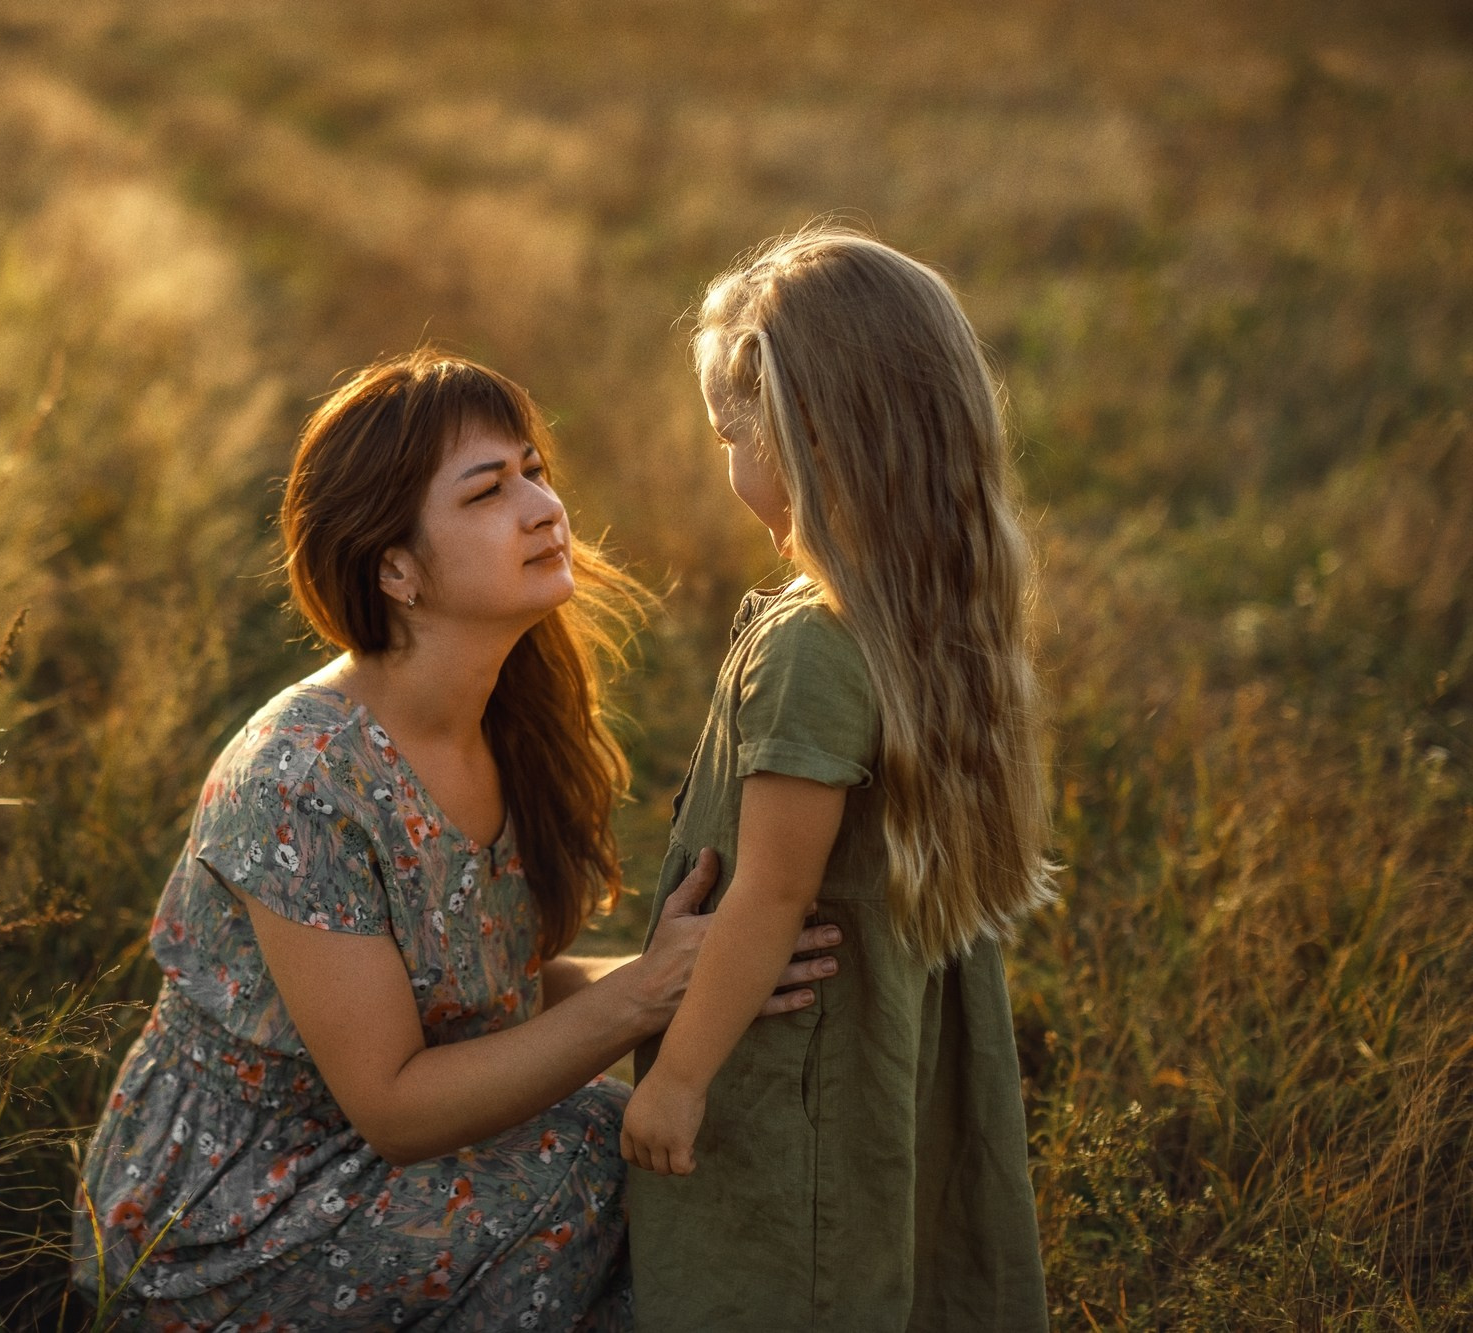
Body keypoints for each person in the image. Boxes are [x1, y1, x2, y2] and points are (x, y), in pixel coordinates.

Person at [73, 351, 845, 1329]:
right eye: (488, 491)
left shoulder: (503, 717)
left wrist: (699, 971)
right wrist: (646, 996)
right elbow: (395, 1105)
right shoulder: (300, 782)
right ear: (393, 567)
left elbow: (486, 995)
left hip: (381, 1158)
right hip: (230, 1212)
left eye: (534, 471)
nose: (540, 507)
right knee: (598, 1159)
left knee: (686, 1137)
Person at [621, 225, 1058, 1330]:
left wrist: (674, 1078)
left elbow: (771, 893)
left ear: (807, 438)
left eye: (730, 432)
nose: (725, 461)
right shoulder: (936, 612)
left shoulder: (813, 643)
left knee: (787, 1277)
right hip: (881, 1038)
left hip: (787, 1060)